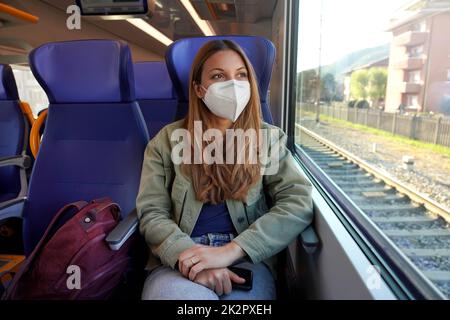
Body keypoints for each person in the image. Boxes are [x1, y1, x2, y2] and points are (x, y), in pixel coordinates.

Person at [136, 40, 313, 300]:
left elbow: (297, 200)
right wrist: (193, 263)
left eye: (241, 75)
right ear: (199, 89)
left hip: (246, 257)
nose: (233, 84)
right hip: (180, 256)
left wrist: (231, 251)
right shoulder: (165, 141)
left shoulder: (269, 139)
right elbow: (152, 213)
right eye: (219, 76)